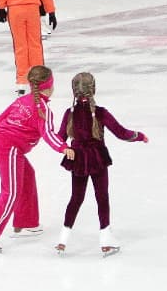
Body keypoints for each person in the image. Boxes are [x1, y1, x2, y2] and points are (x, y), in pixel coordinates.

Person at [0, 65, 74, 252]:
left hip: (2, 143)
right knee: (10, 192)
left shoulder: (22, 100)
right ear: (50, 86)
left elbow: (0, 117)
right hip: (9, 148)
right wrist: (63, 147)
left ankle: (27, 222)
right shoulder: (42, 110)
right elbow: (49, 133)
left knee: (28, 175)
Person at [56, 71, 147, 257]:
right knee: (102, 197)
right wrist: (139, 136)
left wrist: (65, 148)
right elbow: (122, 133)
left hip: (78, 159)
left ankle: (62, 239)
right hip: (97, 158)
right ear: (94, 89)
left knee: (76, 198)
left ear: (73, 91)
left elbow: (59, 138)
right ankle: (105, 239)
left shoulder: (69, 113)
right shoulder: (101, 113)